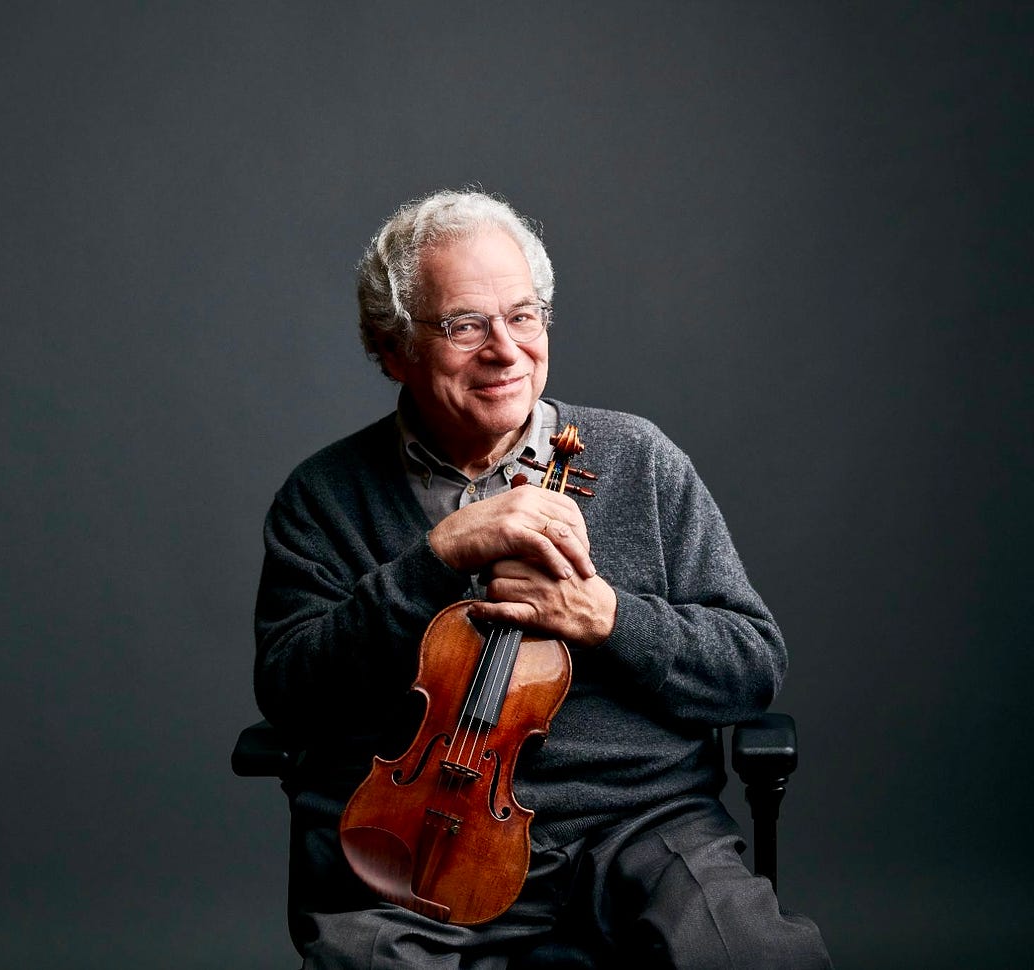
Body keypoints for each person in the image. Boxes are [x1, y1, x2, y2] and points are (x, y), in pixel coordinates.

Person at [253, 189, 832, 969]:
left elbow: (751, 664)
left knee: (761, 959)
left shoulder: (639, 460)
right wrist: (434, 561)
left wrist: (611, 618)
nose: (505, 350)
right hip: (418, 854)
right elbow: (291, 692)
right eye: (464, 325)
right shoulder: (323, 497)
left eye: (523, 316)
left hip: (642, 830)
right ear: (392, 349)